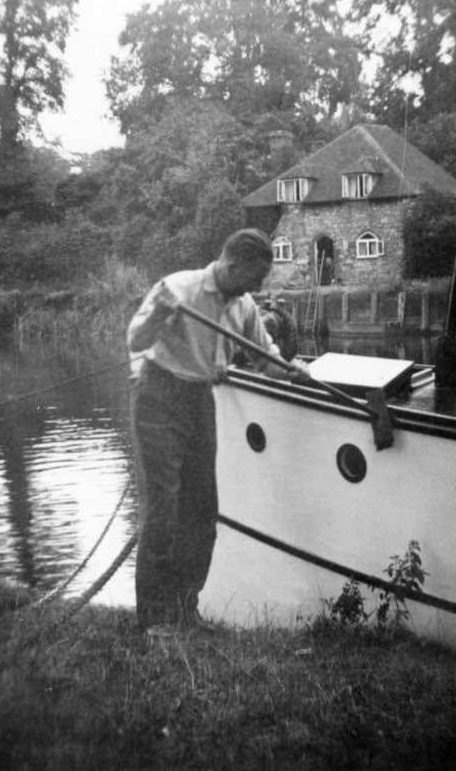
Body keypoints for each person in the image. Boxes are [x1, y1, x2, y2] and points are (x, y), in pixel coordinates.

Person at [127, 228, 308, 632]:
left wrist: (296, 374)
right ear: (231, 265)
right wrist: (158, 312)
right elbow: (136, 340)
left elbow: (267, 359)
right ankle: (154, 618)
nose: (258, 286)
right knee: (163, 508)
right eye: (255, 276)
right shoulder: (177, 288)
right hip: (159, 393)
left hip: (199, 399)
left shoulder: (243, 306)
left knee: (203, 510)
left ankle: (183, 608)